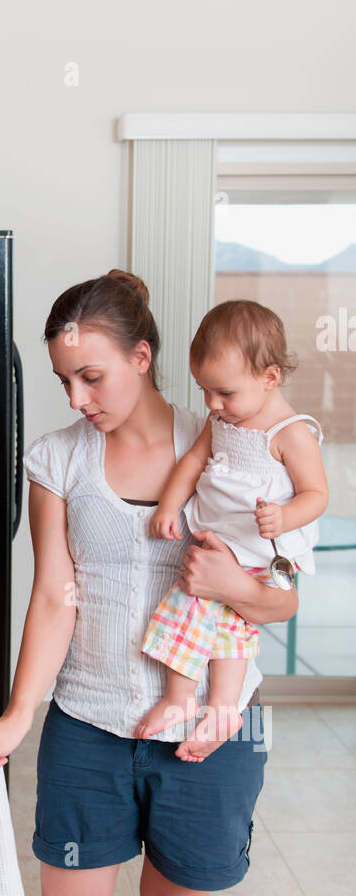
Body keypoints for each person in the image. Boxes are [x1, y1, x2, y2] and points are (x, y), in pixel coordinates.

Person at [0, 269, 299, 896]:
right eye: (64, 381)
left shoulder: (231, 433)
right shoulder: (57, 460)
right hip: (90, 719)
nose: (78, 397)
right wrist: (18, 714)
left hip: (214, 728)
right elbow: (53, 596)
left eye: (93, 376)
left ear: (142, 358)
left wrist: (233, 582)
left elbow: (284, 596)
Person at [136, 300, 327, 760]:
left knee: (210, 613)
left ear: (270, 377)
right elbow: (193, 461)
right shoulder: (221, 419)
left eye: (224, 393)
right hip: (220, 543)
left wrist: (285, 517)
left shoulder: (289, 433)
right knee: (208, 616)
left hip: (262, 554)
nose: (213, 405)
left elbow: (316, 494)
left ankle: (205, 703)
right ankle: (201, 704)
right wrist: (169, 504)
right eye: (204, 391)